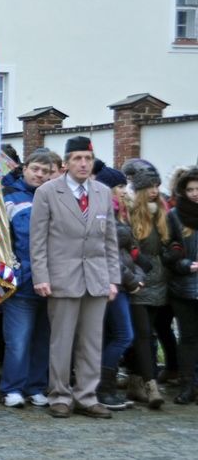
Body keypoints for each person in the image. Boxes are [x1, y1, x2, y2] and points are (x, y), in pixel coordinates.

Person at [30, 136, 119, 419]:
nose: (83, 163)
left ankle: (87, 395)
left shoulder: (103, 192)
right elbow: (38, 240)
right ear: (65, 163)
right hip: (61, 277)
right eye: (77, 158)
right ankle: (59, 395)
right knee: (62, 340)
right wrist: (41, 276)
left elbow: (110, 241)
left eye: (88, 159)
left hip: (96, 277)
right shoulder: (47, 192)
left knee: (92, 341)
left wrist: (113, 278)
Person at [0, 150, 56, 408]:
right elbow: (3, 237)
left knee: (43, 339)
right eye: (36, 169)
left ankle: (36, 386)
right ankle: (12, 387)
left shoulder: (55, 196)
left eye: (46, 171)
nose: (40, 175)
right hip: (22, 280)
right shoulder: (8, 195)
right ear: (25, 168)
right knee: (18, 339)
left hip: (53, 281)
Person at [93, 161, 138, 410]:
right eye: (120, 185)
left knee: (113, 335)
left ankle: (104, 388)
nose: (124, 189)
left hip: (120, 282)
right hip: (110, 283)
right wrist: (131, 280)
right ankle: (104, 389)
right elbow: (105, 253)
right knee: (123, 335)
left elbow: (125, 251)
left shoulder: (119, 211)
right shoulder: (103, 212)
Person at [125, 167, 169, 408]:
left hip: (159, 281)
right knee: (143, 334)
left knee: (146, 333)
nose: (154, 191)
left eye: (156, 186)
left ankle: (135, 381)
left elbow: (168, 245)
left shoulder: (162, 212)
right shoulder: (132, 214)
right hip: (138, 280)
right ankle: (151, 385)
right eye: (149, 186)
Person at [167, 168, 198, 403]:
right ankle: (188, 385)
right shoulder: (175, 215)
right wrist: (186, 264)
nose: (195, 193)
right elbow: (168, 250)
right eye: (190, 189)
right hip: (184, 286)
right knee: (187, 338)